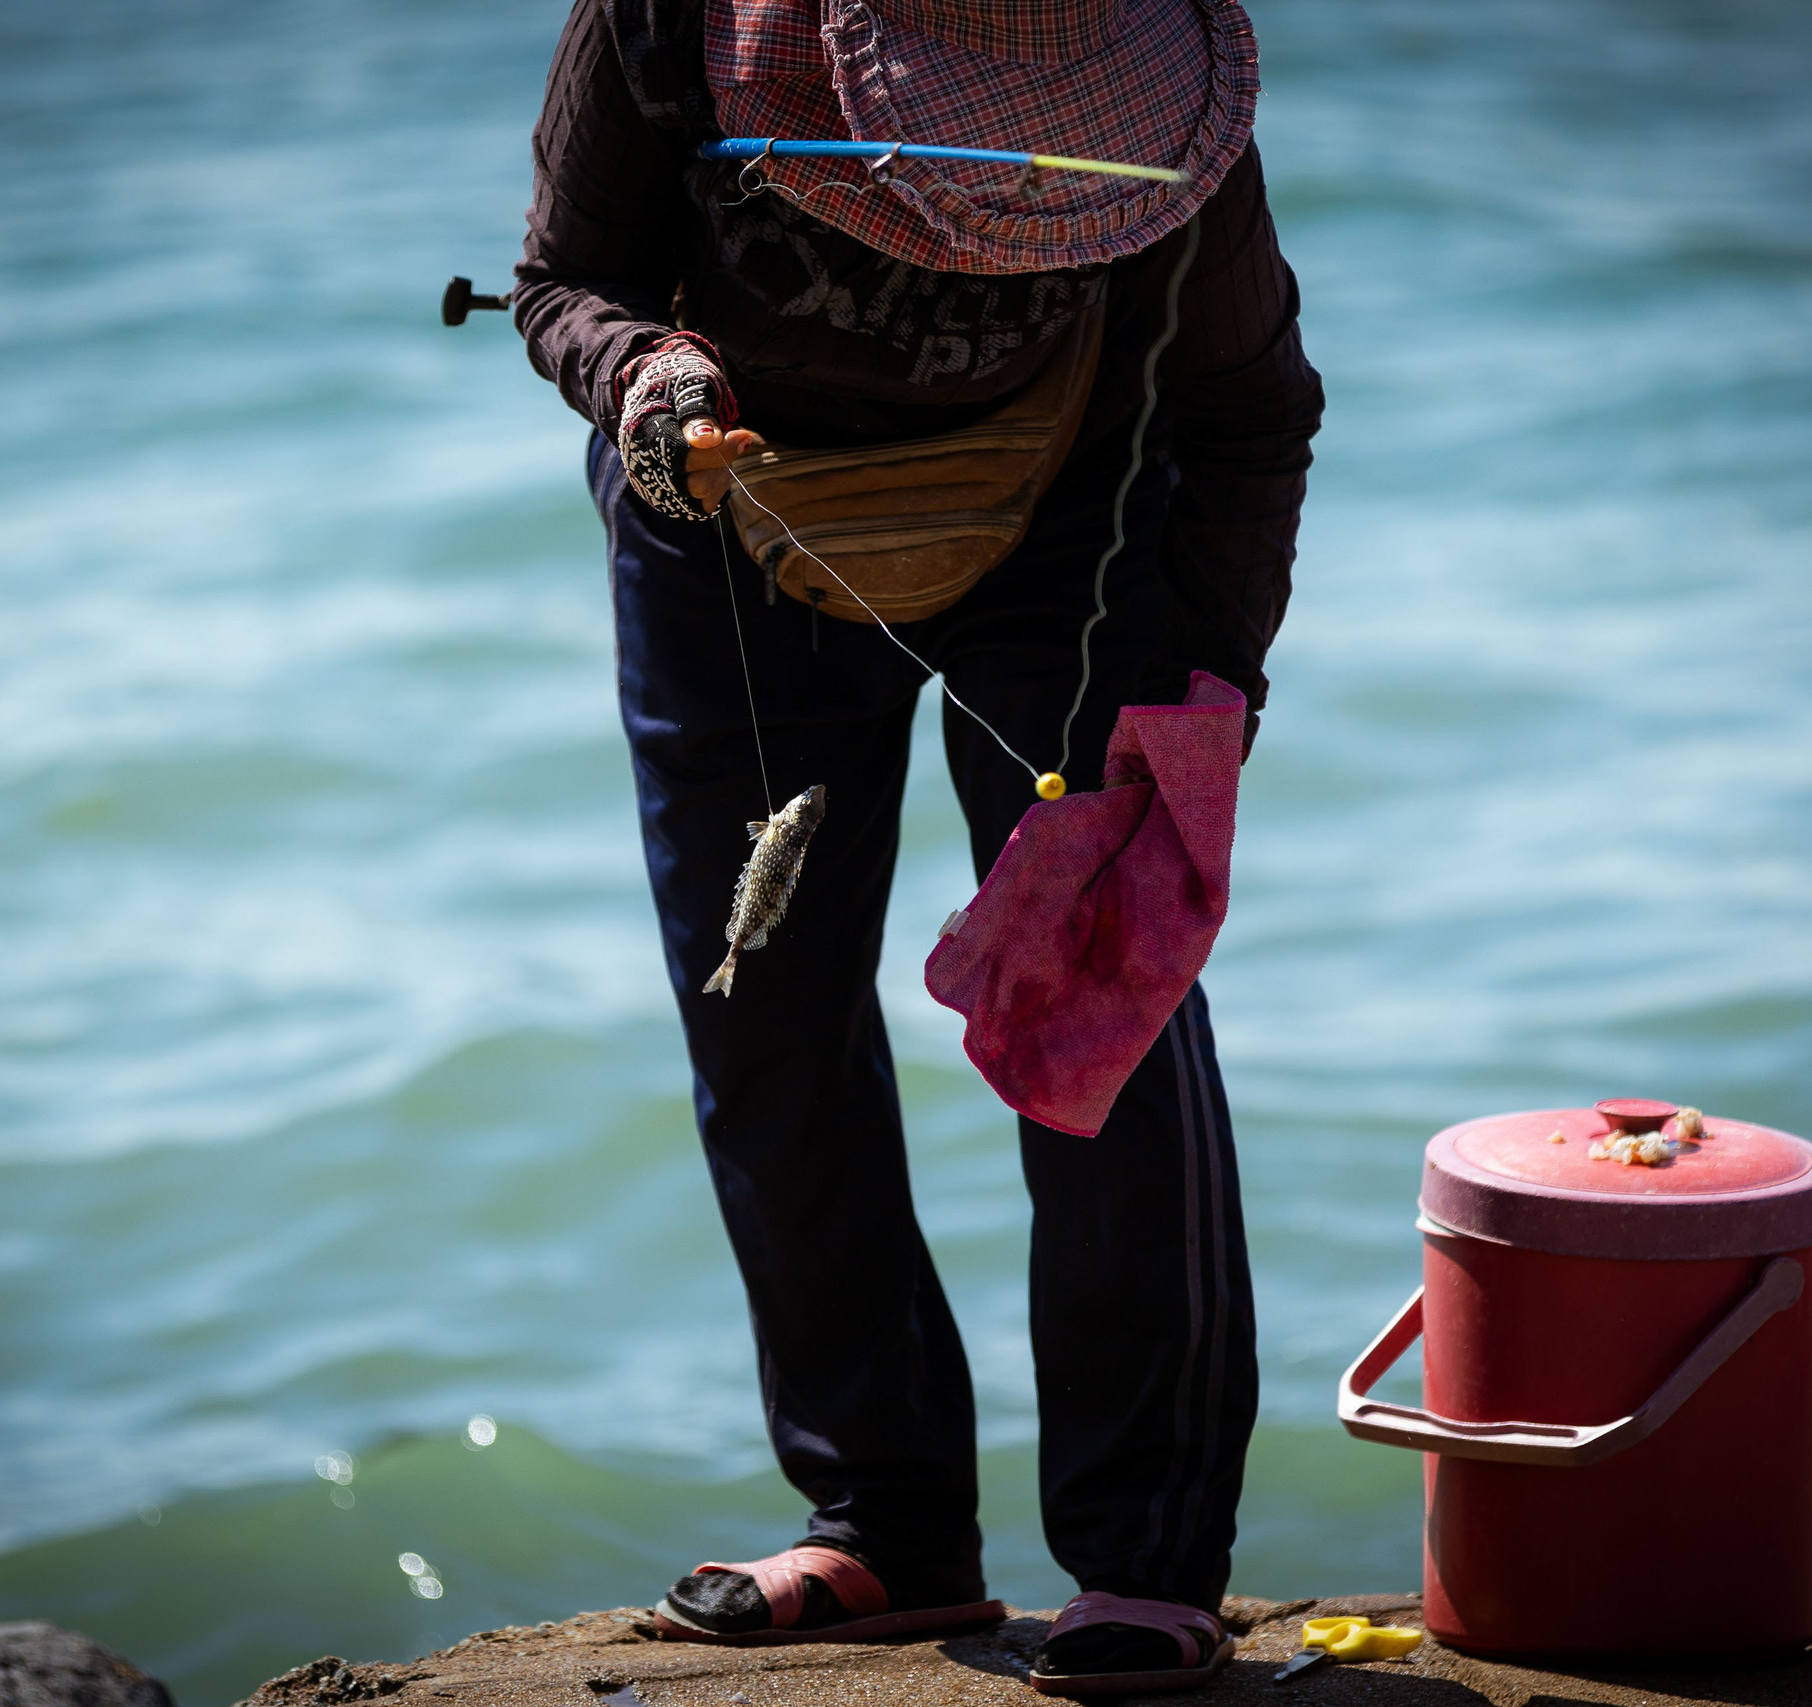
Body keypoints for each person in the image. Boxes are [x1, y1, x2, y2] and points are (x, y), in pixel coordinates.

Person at [513, 0, 1322, 1693]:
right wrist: (644, 379)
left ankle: (1150, 1561)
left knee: (1106, 1004)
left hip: (1077, 518)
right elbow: (558, 288)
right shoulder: (668, 27)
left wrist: (1215, 695)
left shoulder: (1168, 110)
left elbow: (1252, 407)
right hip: (725, 516)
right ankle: (885, 1526)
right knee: (766, 1008)